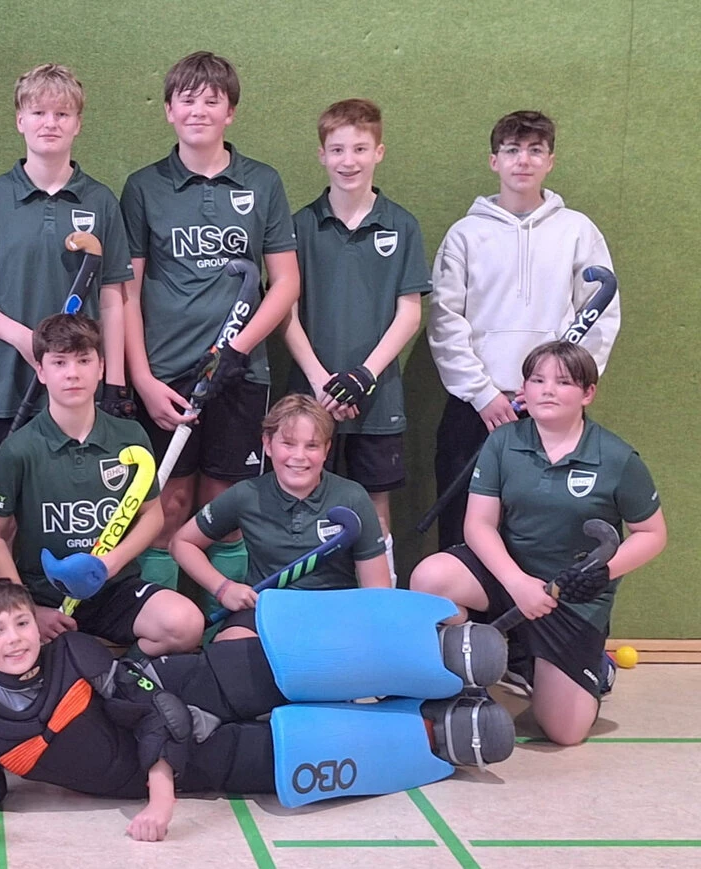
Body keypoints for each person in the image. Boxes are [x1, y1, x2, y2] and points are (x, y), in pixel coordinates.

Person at [0, 580, 514, 842]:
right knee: (295, 753)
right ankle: (436, 733)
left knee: (289, 664)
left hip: (192, 687)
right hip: (200, 763)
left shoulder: (74, 653)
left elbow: (151, 709)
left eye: (22, 623)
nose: (14, 638)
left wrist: (160, 801)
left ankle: (436, 653)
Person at [411, 341, 666, 745]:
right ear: (524, 390)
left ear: (588, 393)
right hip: (507, 578)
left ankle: (589, 668)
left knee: (565, 733)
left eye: (563, 382)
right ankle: (465, 680)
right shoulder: (502, 442)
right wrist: (516, 583)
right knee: (431, 577)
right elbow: (478, 525)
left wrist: (602, 572)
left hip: (571, 597)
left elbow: (652, 534)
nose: (547, 390)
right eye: (537, 380)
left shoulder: (617, 458)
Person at [120, 50, 299, 592]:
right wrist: (142, 379)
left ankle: (224, 624)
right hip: (166, 375)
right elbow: (127, 291)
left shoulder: (262, 183)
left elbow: (285, 283)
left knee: (225, 508)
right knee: (167, 505)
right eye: (187, 100)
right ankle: (163, 625)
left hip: (240, 376)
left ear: (231, 112)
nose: (198, 110)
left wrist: (237, 352)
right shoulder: (143, 187)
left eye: (212, 100)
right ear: (169, 110)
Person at [428, 110, 620, 550]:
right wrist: (481, 393)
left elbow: (600, 318)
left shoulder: (577, 231)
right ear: (494, 160)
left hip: (551, 411)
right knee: (463, 533)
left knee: (542, 531)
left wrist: (559, 387)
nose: (523, 160)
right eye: (512, 150)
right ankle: (462, 599)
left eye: (535, 150)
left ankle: (538, 598)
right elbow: (444, 321)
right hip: (478, 409)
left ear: (550, 161)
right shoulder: (464, 235)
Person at [0, 314, 203, 655]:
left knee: (185, 623)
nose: (72, 373)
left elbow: (152, 515)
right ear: (41, 371)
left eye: (83, 360)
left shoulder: (130, 435)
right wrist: (27, 610)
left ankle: (128, 676)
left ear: (101, 368)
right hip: (45, 596)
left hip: (114, 588)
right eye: (59, 362)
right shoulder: (19, 449)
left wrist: (109, 564)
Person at [0, 63, 133, 479]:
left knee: (71, 504)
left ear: (78, 124)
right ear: (20, 120)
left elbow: (112, 300)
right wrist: (24, 339)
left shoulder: (101, 201)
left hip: (78, 386)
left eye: (62, 114)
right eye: (38, 112)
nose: (50, 123)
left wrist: (115, 384)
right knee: (5, 506)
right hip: (6, 387)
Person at [283, 99, 430, 585]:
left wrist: (363, 376)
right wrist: (321, 382)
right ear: (321, 155)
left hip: (377, 398)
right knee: (303, 500)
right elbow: (285, 312)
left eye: (360, 149)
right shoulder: (299, 226)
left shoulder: (402, 225)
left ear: (379, 152)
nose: (349, 160)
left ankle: (378, 612)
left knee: (373, 507)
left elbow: (410, 313)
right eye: (338, 149)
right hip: (311, 396)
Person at [171, 395, 388, 638]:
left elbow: (377, 591)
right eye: (288, 444)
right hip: (265, 610)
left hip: (334, 613)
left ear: (327, 449)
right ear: (267, 444)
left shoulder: (352, 497)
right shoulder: (246, 494)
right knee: (229, 646)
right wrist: (223, 588)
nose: (299, 456)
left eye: (312, 446)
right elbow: (182, 543)